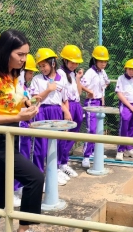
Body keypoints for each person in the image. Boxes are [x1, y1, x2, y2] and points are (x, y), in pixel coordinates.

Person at [0, 29, 49, 232]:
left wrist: (27, 105)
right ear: (6, 52)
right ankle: (23, 231)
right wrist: (19, 115)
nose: (24, 59)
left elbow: (8, 104)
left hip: (10, 137)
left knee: (0, 192)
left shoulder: (11, 77)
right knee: (35, 178)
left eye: (26, 54)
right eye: (20, 54)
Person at [29, 48, 69, 186]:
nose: (42, 68)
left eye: (44, 65)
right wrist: (48, 90)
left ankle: (55, 171)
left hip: (56, 111)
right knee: (41, 146)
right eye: (40, 66)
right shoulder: (37, 79)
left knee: (58, 142)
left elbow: (64, 100)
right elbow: (34, 100)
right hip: (42, 111)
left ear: (52, 63)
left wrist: (66, 114)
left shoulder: (62, 78)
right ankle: (39, 174)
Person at [14, 54, 39, 206]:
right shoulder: (17, 86)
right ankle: (15, 188)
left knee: (24, 156)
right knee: (18, 157)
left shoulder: (23, 87)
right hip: (17, 125)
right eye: (30, 72)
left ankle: (19, 186)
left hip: (24, 124)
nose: (32, 75)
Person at [56, 45, 84, 178]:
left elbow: (79, 92)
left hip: (76, 104)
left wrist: (78, 78)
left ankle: (64, 162)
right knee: (63, 136)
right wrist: (66, 111)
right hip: (68, 106)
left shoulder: (73, 74)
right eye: (72, 62)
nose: (74, 64)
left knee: (73, 135)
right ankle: (58, 165)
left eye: (76, 62)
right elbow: (59, 96)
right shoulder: (60, 74)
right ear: (65, 60)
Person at [80, 45, 110, 168]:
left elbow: (107, 83)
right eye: (101, 61)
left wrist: (101, 94)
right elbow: (81, 85)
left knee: (98, 129)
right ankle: (86, 157)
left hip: (99, 102)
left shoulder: (102, 72)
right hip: (91, 103)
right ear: (95, 60)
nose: (103, 64)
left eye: (105, 61)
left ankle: (94, 152)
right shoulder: (90, 72)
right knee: (91, 130)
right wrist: (90, 92)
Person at [115, 59, 133, 161]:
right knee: (124, 125)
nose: (131, 71)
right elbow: (119, 94)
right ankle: (120, 150)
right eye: (129, 69)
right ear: (126, 69)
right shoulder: (121, 78)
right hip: (126, 105)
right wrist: (131, 107)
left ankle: (130, 149)